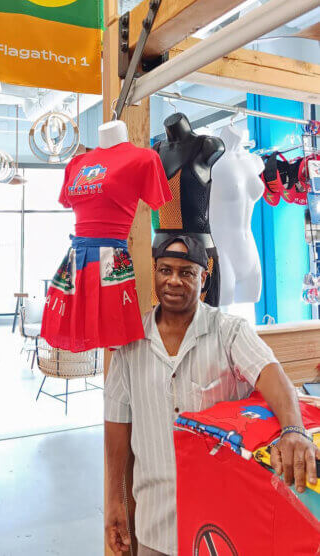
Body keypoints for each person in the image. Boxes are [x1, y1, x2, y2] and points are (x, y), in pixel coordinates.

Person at [104, 236, 319, 556]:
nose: (174, 280)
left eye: (187, 273)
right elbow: (118, 426)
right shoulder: (131, 342)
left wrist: (293, 429)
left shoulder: (230, 331)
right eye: (166, 270)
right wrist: (114, 502)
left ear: (203, 279)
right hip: (155, 523)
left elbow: (272, 375)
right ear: (156, 273)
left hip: (223, 526)